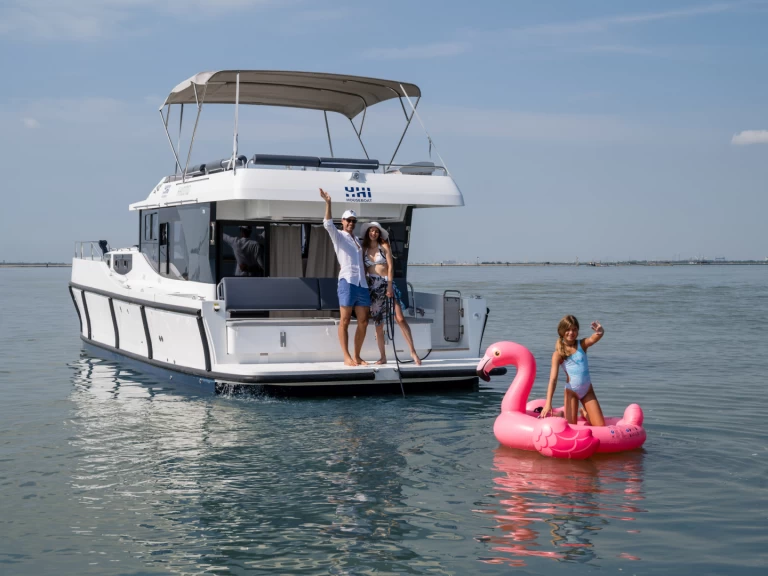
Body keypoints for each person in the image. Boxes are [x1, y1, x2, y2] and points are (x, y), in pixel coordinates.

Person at [319, 188, 370, 366]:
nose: (351, 223)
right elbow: (327, 223)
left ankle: (357, 356)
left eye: (353, 221)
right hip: (347, 282)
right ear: (343, 221)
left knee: (364, 321)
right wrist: (328, 203)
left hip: (362, 284)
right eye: (348, 220)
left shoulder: (357, 240)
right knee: (345, 320)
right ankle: (346, 356)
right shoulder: (338, 236)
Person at [360, 222, 422, 366]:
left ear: (379, 233)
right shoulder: (364, 249)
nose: (373, 233)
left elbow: (390, 268)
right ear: (368, 233)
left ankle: (413, 351)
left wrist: (389, 286)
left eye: (376, 231)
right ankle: (383, 357)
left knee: (400, 318)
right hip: (372, 287)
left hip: (387, 284)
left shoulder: (384, 247)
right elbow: (364, 270)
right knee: (379, 324)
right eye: (371, 231)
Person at [540, 315, 606, 426]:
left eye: (574, 329)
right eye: (568, 329)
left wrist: (600, 331)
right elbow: (553, 379)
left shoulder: (582, 344)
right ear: (561, 331)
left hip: (587, 390)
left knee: (600, 426)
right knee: (571, 427)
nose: (571, 332)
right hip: (572, 392)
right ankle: (560, 415)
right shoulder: (558, 354)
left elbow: (594, 338)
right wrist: (548, 403)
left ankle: (584, 414)